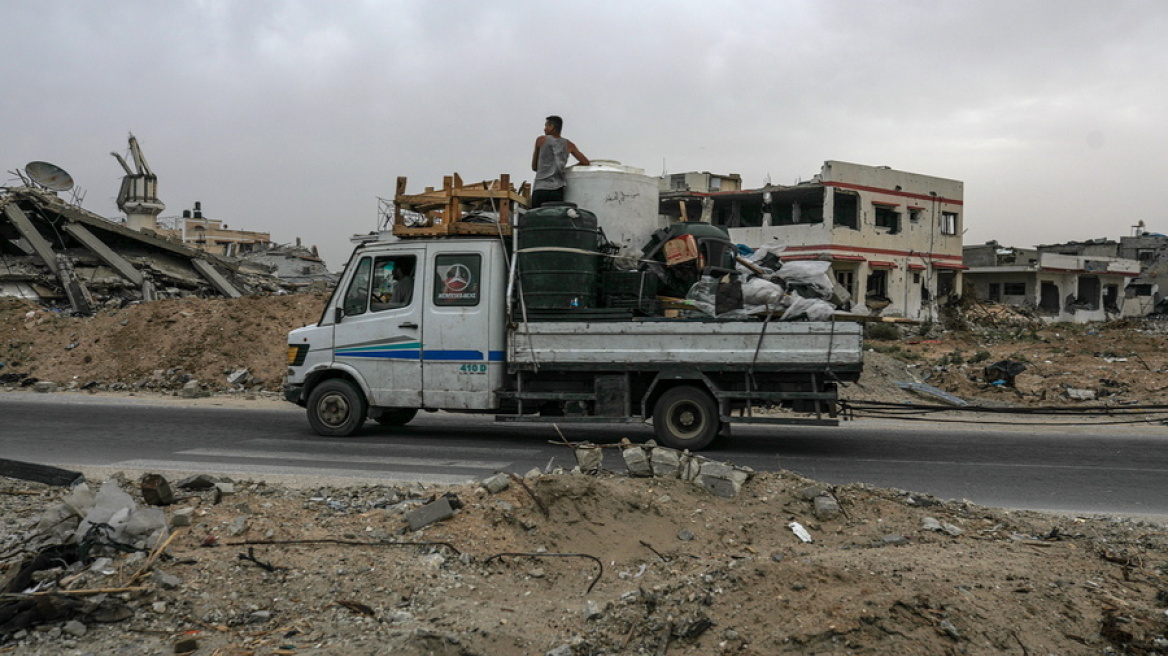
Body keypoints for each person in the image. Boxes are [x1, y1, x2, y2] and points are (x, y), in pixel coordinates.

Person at [530, 115, 589, 208]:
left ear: (552, 127)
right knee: (555, 219)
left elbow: (534, 167)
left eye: (546, 126)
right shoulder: (569, 144)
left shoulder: (541, 140)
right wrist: (565, 170)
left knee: (538, 218)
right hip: (557, 189)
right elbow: (585, 162)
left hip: (541, 188)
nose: (544, 129)